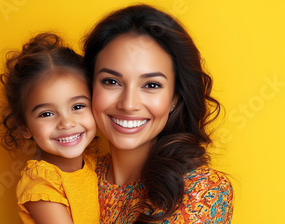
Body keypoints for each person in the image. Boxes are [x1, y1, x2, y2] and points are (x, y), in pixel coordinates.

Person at [83, 4, 234, 223]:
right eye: (111, 81)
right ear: (90, 88)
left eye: (151, 85)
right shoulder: (74, 179)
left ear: (174, 98)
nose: (128, 104)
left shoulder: (203, 191)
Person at [0, 32, 100, 223]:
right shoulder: (41, 184)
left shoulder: (93, 165)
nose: (66, 123)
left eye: (77, 107)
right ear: (24, 127)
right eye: (46, 114)